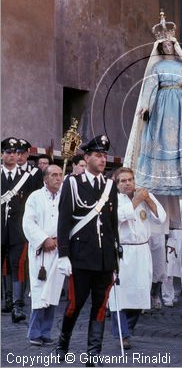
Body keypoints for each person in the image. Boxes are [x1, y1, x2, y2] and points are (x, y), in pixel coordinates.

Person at [124, 11, 182, 224]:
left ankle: (180, 173)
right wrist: (145, 107)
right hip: (162, 106)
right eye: (164, 45)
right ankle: (158, 174)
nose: (168, 47)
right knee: (161, 139)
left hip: (181, 107)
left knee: (179, 139)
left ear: (174, 46)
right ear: (160, 47)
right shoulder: (156, 67)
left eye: (170, 45)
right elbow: (150, 88)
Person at [56, 135, 119, 367]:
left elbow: (112, 223)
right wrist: (63, 254)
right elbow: (63, 221)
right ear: (87, 157)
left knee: (100, 305)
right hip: (80, 257)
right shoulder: (72, 183)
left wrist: (115, 259)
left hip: (104, 259)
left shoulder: (110, 186)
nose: (103, 160)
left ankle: (94, 352)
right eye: (98, 155)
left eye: (104, 156)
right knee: (74, 304)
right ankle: (63, 343)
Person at [108, 167, 166, 349]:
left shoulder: (144, 195)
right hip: (122, 252)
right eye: (123, 181)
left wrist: (147, 199)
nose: (127, 184)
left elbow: (160, 218)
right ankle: (121, 334)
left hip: (142, 251)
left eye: (130, 180)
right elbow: (117, 217)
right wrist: (136, 201)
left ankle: (128, 329)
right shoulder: (112, 198)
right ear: (116, 184)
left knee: (138, 294)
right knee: (119, 295)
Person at [22, 165, 64, 345]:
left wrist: (61, 241)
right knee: (40, 292)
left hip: (59, 250)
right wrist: (44, 239)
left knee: (54, 292)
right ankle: (34, 333)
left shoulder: (65, 197)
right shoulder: (35, 197)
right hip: (41, 253)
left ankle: (46, 333)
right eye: (54, 175)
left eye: (61, 175)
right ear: (45, 179)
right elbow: (28, 223)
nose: (58, 178)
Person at [1, 137, 40, 321]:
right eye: (8, 152)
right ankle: (7, 299)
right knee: (4, 266)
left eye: (15, 152)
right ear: (2, 154)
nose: (12, 155)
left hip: (19, 230)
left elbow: (34, 202)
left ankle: (18, 306)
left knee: (18, 266)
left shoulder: (27, 177)